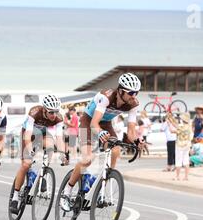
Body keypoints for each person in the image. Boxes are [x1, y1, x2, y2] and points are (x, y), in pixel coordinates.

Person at [59, 73, 143, 211]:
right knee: (88, 159)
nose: (134, 96)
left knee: (115, 150)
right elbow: (94, 123)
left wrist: (137, 140)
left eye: (136, 92)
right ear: (121, 90)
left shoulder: (133, 103)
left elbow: (131, 131)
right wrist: (100, 133)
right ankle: (67, 191)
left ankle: (102, 187)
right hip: (89, 121)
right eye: (131, 92)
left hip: (106, 123)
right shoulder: (106, 97)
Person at [10, 94, 68, 214]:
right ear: (44, 110)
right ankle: (15, 197)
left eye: (56, 112)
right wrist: (30, 149)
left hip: (42, 133)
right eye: (51, 112)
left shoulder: (58, 118)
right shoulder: (35, 112)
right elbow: (27, 135)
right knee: (26, 165)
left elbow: (59, 137)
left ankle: (44, 173)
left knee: (51, 145)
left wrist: (63, 153)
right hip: (27, 133)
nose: (54, 115)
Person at [173, 113, 192, 181]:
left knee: (178, 160)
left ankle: (177, 176)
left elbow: (173, 130)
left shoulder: (181, 127)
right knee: (186, 160)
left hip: (179, 145)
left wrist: (169, 121)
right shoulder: (189, 127)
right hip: (187, 145)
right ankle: (186, 176)